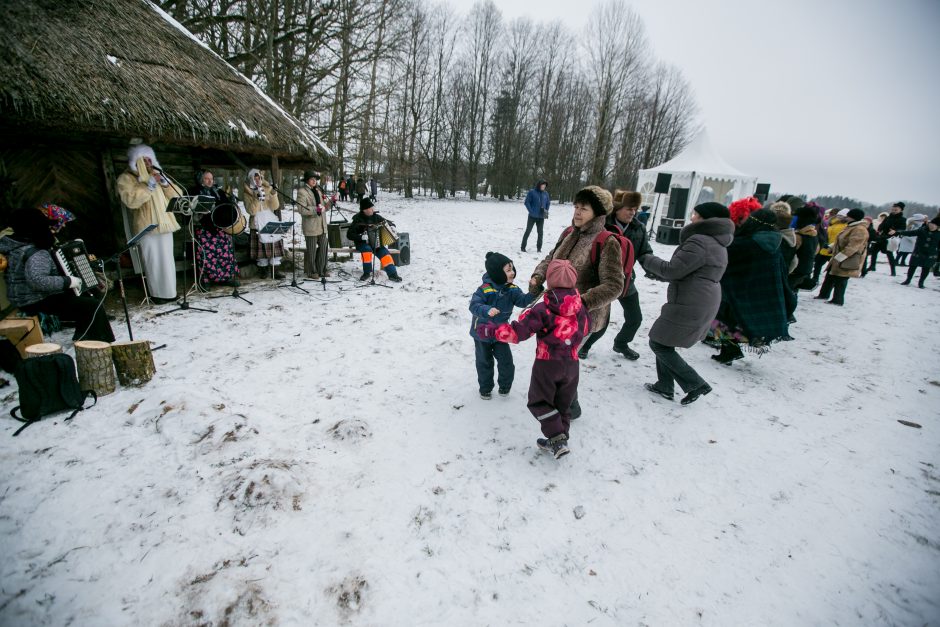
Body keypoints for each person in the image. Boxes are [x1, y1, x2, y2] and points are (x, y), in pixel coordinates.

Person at [477, 259, 590, 460]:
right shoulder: (580, 307)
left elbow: (518, 333)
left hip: (547, 364)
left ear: (550, 281)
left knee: (539, 401)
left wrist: (493, 330)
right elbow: (586, 329)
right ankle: (559, 440)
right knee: (563, 404)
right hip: (572, 364)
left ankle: (556, 437)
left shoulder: (543, 309)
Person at [529, 186, 624, 418]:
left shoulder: (606, 242)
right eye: (576, 207)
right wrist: (538, 275)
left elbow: (614, 285)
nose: (578, 212)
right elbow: (551, 258)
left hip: (583, 318)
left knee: (561, 363)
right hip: (555, 313)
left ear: (598, 213)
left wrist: (579, 302)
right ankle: (567, 404)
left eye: (584, 208)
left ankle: (567, 408)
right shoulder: (569, 233)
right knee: (559, 361)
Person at [638, 202, 734, 405]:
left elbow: (673, 270)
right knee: (664, 340)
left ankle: (695, 383)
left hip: (691, 300)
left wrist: (646, 258)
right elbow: (689, 271)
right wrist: (658, 275)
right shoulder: (717, 242)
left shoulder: (700, 241)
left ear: (706, 219)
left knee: (658, 343)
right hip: (702, 298)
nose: (692, 218)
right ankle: (664, 386)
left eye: (696, 215)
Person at [0, 208, 115, 343]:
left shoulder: (14, 245)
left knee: (83, 294)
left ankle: (83, 336)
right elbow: (38, 281)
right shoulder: (35, 252)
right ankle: (99, 343)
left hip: (22, 297)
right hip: (33, 301)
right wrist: (68, 281)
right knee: (91, 305)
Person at [708, 209, 793, 365]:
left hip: (736, 288)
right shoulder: (775, 242)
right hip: (758, 291)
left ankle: (730, 350)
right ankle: (730, 348)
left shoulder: (747, 243)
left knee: (721, 318)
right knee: (733, 320)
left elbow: (725, 258)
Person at [578, 190, 651, 360]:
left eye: (635, 209)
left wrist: (655, 269)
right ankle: (586, 345)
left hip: (626, 281)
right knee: (601, 321)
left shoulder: (639, 228)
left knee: (635, 318)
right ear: (617, 209)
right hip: (603, 281)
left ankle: (621, 343)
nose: (633, 212)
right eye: (629, 209)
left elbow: (645, 252)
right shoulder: (602, 224)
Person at [116, 143, 181, 302]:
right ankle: (157, 294)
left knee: (167, 261)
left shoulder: (159, 174)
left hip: (165, 224)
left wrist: (165, 184)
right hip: (147, 227)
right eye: (143, 160)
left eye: (149, 160)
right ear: (136, 161)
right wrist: (149, 185)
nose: (148, 163)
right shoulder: (127, 178)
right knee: (153, 261)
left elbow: (178, 195)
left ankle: (170, 293)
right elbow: (131, 201)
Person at [468, 252, 534, 399]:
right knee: (484, 362)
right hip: (481, 333)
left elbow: (522, 301)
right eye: (508, 270)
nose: (512, 273)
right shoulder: (484, 289)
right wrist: (487, 310)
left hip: (500, 333)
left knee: (506, 362)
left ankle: (505, 386)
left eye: (512, 269)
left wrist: (533, 292)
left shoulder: (512, 289)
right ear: (497, 273)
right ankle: (485, 388)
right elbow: (474, 305)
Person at [190, 170, 239, 288]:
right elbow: (191, 210)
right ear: (201, 179)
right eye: (206, 178)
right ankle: (206, 280)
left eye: (211, 178)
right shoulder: (195, 192)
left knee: (226, 252)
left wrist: (231, 202)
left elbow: (226, 206)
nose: (210, 181)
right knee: (206, 254)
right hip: (204, 228)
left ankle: (226, 277)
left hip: (220, 228)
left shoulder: (218, 192)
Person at [815, 208, 869, 305]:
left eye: (848, 216)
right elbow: (841, 240)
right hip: (839, 256)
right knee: (830, 276)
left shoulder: (859, 229)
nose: (846, 217)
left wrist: (840, 257)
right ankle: (823, 294)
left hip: (847, 259)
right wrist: (831, 247)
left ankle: (838, 300)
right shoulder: (851, 226)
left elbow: (853, 246)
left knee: (841, 279)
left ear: (853, 217)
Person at [346, 198, 402, 282]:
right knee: (367, 250)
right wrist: (361, 237)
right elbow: (349, 234)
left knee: (385, 253)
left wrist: (392, 226)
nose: (373, 209)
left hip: (377, 243)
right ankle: (367, 273)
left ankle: (393, 274)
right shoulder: (357, 219)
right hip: (362, 244)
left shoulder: (376, 217)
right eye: (371, 207)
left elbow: (388, 222)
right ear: (365, 209)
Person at [242, 169, 283, 277]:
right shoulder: (247, 193)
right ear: (251, 179)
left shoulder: (267, 189)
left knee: (274, 246)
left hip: (269, 219)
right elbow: (251, 211)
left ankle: (276, 270)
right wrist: (256, 198)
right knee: (261, 251)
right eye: (255, 178)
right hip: (257, 222)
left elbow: (275, 207)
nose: (257, 180)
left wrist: (274, 194)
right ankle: (263, 270)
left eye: (259, 178)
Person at [296, 171, 332, 280]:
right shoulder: (302, 192)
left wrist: (331, 202)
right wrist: (315, 209)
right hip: (311, 225)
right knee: (311, 250)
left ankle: (322, 269)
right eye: (312, 179)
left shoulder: (318, 190)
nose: (314, 181)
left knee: (324, 247)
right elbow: (301, 209)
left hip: (321, 225)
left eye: (315, 179)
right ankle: (312, 271)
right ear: (307, 180)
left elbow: (325, 207)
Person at [891, 216, 940, 288]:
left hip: (930, 254)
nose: (932, 226)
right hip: (918, 252)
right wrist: (898, 232)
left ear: (938, 227)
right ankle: (908, 280)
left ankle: (921, 282)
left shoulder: (939, 234)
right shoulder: (922, 230)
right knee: (912, 267)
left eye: (934, 225)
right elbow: (910, 233)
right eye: (931, 224)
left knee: (926, 269)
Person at [867, 202, 906, 276]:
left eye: (896, 210)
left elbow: (903, 229)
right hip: (881, 237)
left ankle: (893, 270)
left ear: (901, 210)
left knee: (889, 254)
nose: (894, 211)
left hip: (890, 239)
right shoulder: (888, 217)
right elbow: (881, 225)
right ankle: (872, 266)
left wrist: (896, 231)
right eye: (893, 209)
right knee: (874, 251)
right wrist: (879, 230)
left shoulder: (902, 219)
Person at [521, 180, 550, 253]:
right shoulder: (532, 192)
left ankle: (539, 249)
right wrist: (531, 211)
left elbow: (548, 203)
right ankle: (523, 247)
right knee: (528, 231)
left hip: (541, 217)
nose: (543, 187)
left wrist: (546, 211)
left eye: (545, 186)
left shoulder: (546, 193)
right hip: (532, 216)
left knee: (540, 233)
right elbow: (527, 202)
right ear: (539, 185)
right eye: (542, 185)